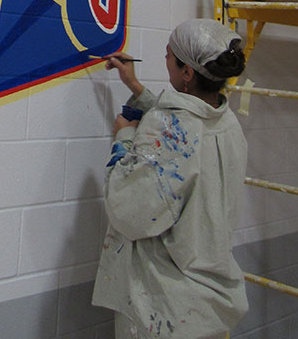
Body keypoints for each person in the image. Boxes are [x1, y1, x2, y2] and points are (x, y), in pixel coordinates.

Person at [92, 18, 248, 339]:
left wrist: (124, 138)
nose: (164, 60)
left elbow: (128, 213)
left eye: (167, 55)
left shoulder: (167, 127)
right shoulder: (228, 122)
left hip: (163, 307)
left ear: (187, 73)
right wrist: (136, 88)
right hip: (206, 307)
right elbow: (189, 135)